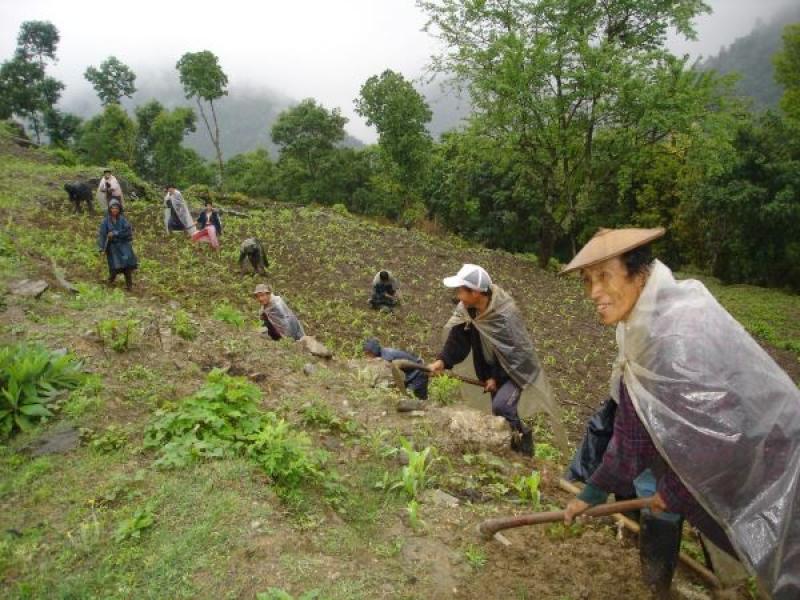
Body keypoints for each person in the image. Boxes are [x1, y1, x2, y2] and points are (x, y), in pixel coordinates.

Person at [561, 227, 800, 599]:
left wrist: (671, 493)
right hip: (743, 476)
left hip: (777, 469)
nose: (594, 292)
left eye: (604, 276)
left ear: (638, 274)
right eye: (588, 281)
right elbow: (632, 434)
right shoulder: (638, 330)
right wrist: (592, 492)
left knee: (789, 566)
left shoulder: (680, 334)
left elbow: (721, 439)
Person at [427, 263, 542, 456]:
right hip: (492, 368)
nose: (457, 295)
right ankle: (511, 447)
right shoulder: (469, 311)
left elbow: (514, 352)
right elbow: (458, 340)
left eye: (460, 290)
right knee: (500, 412)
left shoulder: (505, 315)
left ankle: (523, 447)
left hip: (517, 369)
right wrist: (442, 361)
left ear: (476, 293)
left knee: (502, 406)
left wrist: (496, 378)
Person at [362, 338, 429, 407]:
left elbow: (393, 376)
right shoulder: (382, 354)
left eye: (368, 353)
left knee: (415, 401)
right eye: (366, 353)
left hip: (417, 375)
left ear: (374, 350)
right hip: (410, 375)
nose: (367, 356)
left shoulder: (387, 357)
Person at [97, 200, 137, 290]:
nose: (114, 210)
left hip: (124, 245)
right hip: (112, 246)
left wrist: (115, 233)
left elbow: (128, 231)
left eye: (116, 208)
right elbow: (102, 235)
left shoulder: (123, 220)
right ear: (110, 209)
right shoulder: (105, 221)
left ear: (119, 209)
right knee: (114, 266)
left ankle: (129, 286)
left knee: (127, 266)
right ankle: (110, 281)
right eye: (113, 208)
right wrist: (101, 248)